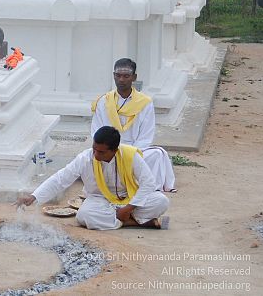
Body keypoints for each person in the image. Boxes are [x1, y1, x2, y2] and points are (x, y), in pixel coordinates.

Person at [16, 126, 170, 230]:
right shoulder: (85, 158)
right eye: (94, 149)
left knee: (161, 201)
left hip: (128, 198)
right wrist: (34, 196)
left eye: (101, 152)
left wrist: (128, 208)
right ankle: (133, 222)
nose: (95, 155)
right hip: (99, 199)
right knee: (84, 216)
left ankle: (121, 219)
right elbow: (61, 179)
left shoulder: (130, 155)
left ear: (114, 150)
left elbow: (148, 183)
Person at [91, 58, 177, 192]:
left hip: (136, 150)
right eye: (118, 75)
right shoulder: (103, 101)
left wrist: (129, 153)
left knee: (157, 155)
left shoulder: (145, 102)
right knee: (89, 156)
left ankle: (148, 189)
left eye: (126, 76)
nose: (121, 80)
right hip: (108, 150)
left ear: (134, 77)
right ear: (114, 76)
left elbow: (146, 135)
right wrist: (112, 150)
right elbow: (96, 131)